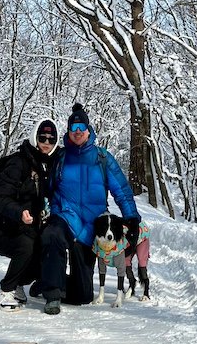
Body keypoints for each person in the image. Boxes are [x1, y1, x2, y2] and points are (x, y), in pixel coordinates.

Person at [40, 102, 140, 316]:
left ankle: (48, 281)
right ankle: (52, 295)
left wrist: (132, 219)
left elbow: (121, 190)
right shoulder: (60, 157)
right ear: (67, 131)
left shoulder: (102, 158)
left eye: (81, 128)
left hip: (91, 227)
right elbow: (45, 188)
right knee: (52, 235)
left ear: (88, 130)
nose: (77, 133)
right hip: (64, 217)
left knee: (83, 296)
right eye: (73, 128)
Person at [0, 119, 61, 309]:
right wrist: (19, 212)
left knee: (43, 250)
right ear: (34, 136)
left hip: (30, 229)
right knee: (27, 246)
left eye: (51, 139)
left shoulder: (49, 165)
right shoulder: (18, 163)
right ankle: (4, 292)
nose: (46, 142)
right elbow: (0, 198)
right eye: (42, 137)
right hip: (5, 229)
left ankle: (18, 286)